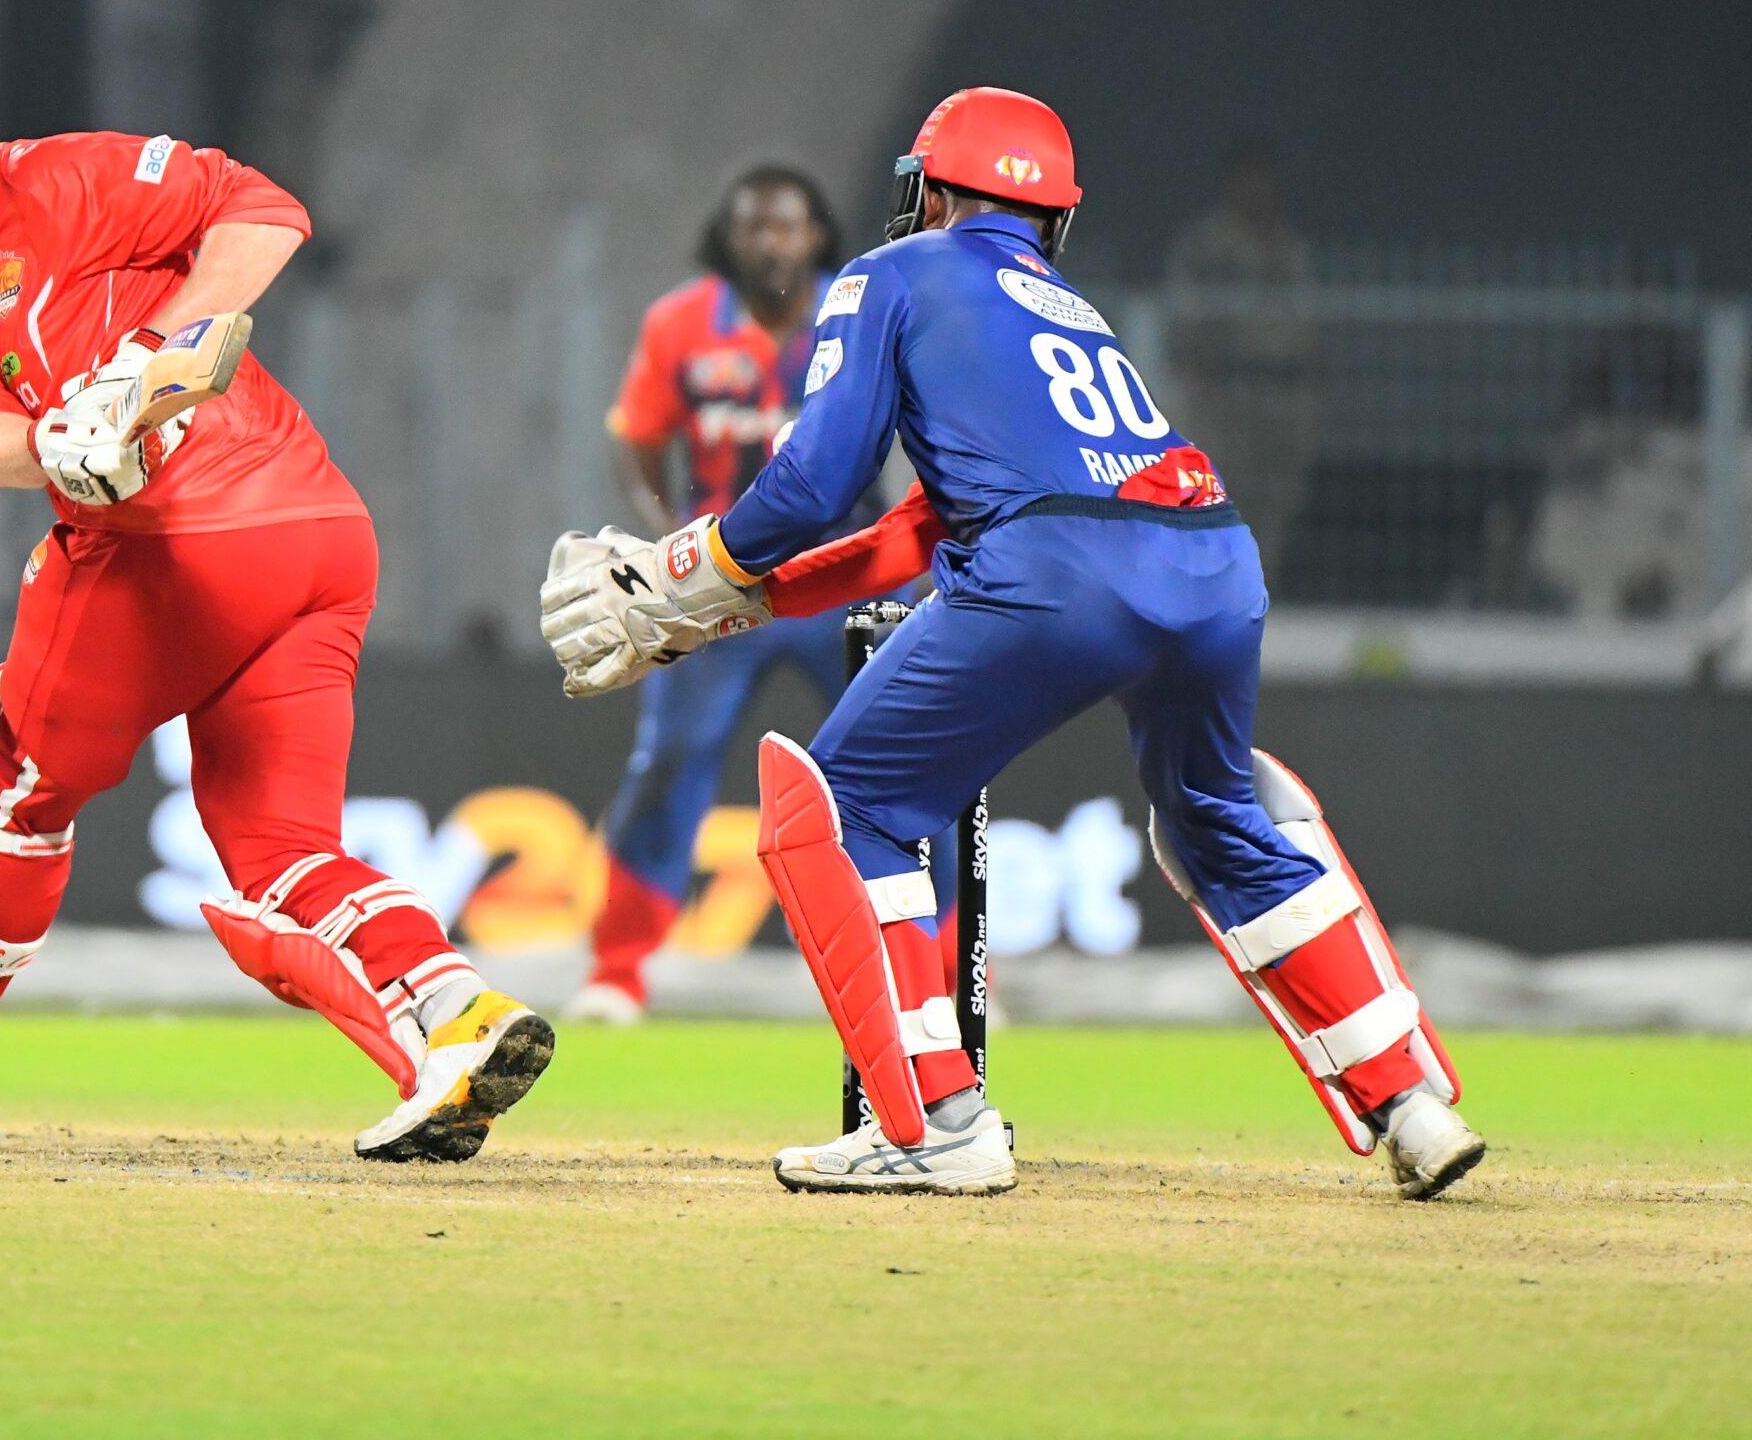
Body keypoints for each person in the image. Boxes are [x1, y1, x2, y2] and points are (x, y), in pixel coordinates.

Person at [542, 88, 1483, 1201]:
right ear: (1053, 220)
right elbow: (909, 535)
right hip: (1212, 562)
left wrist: (681, 570)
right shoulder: (1068, 312)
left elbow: (813, 484)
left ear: (933, 190)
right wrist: (715, 605)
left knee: (845, 815)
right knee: (1218, 820)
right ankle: (1411, 1104)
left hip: (1055, 570)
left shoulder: (893, 274)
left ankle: (939, 1124)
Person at [0, 19, 553, 1160]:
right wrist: (61, 441)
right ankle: (458, 1014)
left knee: (15, 779)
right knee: (278, 852)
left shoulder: (65, 176)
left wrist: (144, 362)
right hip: (318, 540)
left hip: (189, 547)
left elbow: (267, 213)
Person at [569, 161, 950, 1023]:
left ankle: (952, 985)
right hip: (715, 586)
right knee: (669, 763)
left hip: (851, 575)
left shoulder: (862, 306)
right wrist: (661, 523)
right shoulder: (679, 322)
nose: (772, 241)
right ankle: (618, 972)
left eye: (788, 226)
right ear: (728, 238)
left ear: (818, 234)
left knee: (916, 768)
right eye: (755, 226)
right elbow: (634, 434)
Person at [1163, 143, 1321, 568]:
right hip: (1224, 393)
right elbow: (1186, 323)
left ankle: (1267, 591)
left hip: (1280, 395)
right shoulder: (1205, 246)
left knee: (1273, 510)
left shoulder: (1289, 249)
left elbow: (1308, 329)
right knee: (1214, 503)